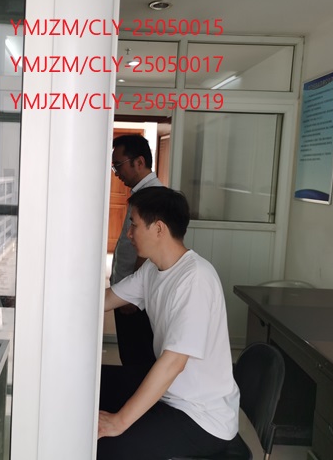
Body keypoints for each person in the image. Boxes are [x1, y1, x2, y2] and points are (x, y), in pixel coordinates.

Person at [98, 187, 239, 460]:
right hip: (172, 394)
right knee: (94, 384)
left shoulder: (195, 279)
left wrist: (119, 422)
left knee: (104, 445)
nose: (129, 234)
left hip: (200, 416)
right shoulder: (153, 269)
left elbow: (174, 362)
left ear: (159, 228)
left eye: (134, 225)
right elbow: (105, 300)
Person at [110, 135, 163, 368]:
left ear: (139, 162)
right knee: (130, 357)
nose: (116, 173)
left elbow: (146, 251)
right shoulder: (143, 194)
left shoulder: (153, 197)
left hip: (134, 296)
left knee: (136, 359)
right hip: (127, 290)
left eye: (118, 165)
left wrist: (134, 293)